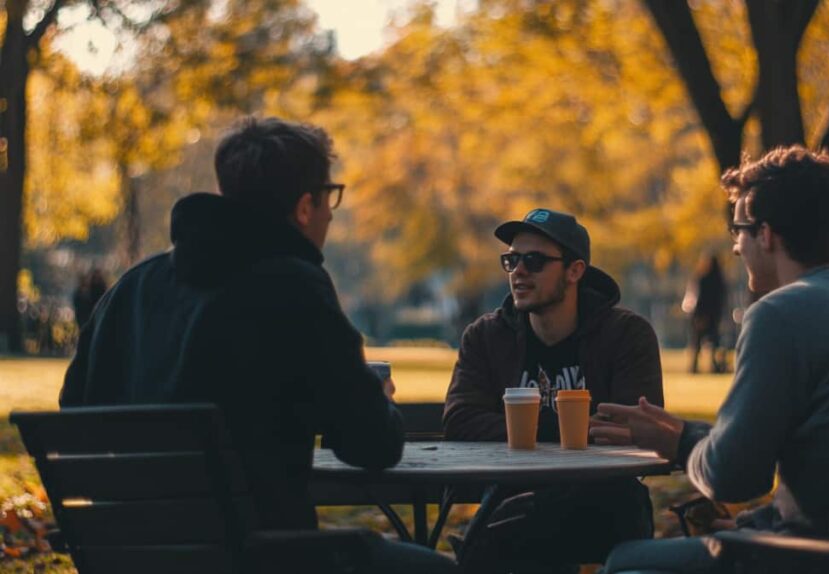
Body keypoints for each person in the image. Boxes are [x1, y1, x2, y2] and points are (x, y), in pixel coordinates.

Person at [60, 117, 456, 573]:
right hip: (263, 556)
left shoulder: (133, 288)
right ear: (305, 207)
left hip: (135, 555)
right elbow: (372, 447)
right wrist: (376, 400)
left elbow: (77, 411)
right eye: (329, 197)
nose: (330, 212)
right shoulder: (294, 287)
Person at [592, 146, 829, 574]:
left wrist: (678, 443)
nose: (735, 246)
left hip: (823, 560)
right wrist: (756, 514)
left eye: (738, 229)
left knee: (626, 561)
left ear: (766, 235)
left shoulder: (779, 315)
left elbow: (734, 478)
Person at [444, 208, 664, 572]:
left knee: (511, 532)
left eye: (533, 260)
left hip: (603, 498)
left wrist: (520, 430)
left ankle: (477, 551)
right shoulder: (486, 337)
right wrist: (567, 429)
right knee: (518, 526)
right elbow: (460, 419)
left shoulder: (626, 335)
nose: (518, 272)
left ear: (575, 271)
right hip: (512, 492)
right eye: (511, 260)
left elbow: (636, 427)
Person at [682, 253, 727, 373]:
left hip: (702, 316)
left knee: (697, 343)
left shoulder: (702, 279)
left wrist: (698, 315)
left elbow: (700, 299)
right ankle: (715, 366)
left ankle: (695, 367)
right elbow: (721, 301)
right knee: (714, 343)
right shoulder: (720, 281)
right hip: (714, 317)